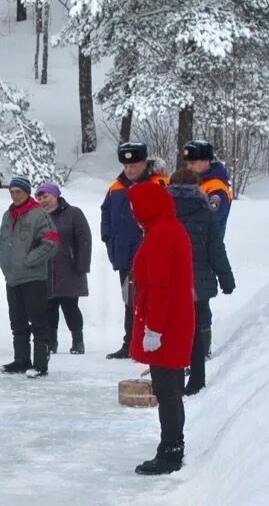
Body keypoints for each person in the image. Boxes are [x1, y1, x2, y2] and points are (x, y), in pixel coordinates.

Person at [127, 182, 195, 475]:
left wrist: (153, 330)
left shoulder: (162, 235)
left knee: (167, 390)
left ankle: (170, 450)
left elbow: (160, 287)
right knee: (168, 389)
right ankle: (171, 445)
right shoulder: (164, 229)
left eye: (135, 207)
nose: (132, 213)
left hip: (166, 325)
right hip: (173, 321)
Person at [168, 169, 235, 395]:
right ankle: (197, 380)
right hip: (197, 284)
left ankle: (173, 379)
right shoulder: (205, 212)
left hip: (170, 283)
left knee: (173, 331)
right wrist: (226, 280)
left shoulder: (163, 212)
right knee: (195, 332)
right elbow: (216, 250)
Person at [100, 142, 169, 359]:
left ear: (144, 163)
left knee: (152, 300)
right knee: (130, 301)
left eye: (134, 165)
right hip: (124, 254)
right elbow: (106, 216)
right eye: (126, 166)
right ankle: (130, 342)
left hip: (151, 254)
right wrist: (109, 240)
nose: (129, 170)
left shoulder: (160, 184)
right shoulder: (116, 188)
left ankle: (154, 342)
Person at [0, 177, 60, 377]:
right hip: (12, 277)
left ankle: (40, 363)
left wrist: (28, 260)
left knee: (38, 322)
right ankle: (21, 360)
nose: (15, 195)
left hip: (33, 278)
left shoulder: (38, 214)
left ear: (26, 192)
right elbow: (2, 241)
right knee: (17, 322)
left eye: (18, 192)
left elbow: (51, 242)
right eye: (12, 192)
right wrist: (3, 261)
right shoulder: (7, 215)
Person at [35, 182, 92, 355]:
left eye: (46, 197)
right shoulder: (37, 216)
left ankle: (78, 342)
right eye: (39, 198)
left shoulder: (74, 213)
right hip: (46, 271)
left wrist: (82, 264)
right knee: (49, 309)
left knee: (70, 308)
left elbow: (84, 240)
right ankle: (52, 343)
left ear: (56, 195)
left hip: (69, 269)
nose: (42, 201)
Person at [183, 140, 232, 239]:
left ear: (206, 161)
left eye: (193, 163)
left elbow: (211, 217)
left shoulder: (217, 188)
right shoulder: (195, 181)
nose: (189, 167)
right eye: (187, 163)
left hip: (206, 247)